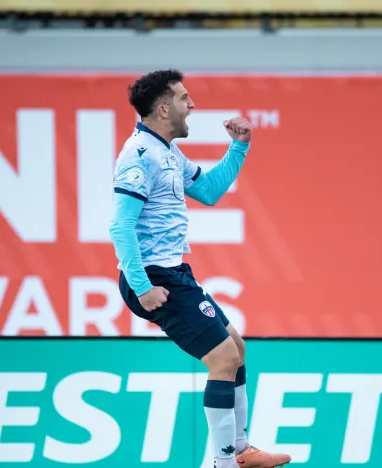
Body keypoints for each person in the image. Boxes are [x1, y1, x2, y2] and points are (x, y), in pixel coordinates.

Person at [109, 69, 292, 468]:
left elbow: (207, 191)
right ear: (162, 108)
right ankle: (223, 463)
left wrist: (238, 147)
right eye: (183, 98)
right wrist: (142, 287)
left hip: (174, 274)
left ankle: (240, 450)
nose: (191, 105)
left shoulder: (167, 151)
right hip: (153, 278)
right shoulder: (139, 155)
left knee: (236, 350)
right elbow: (120, 226)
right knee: (223, 359)